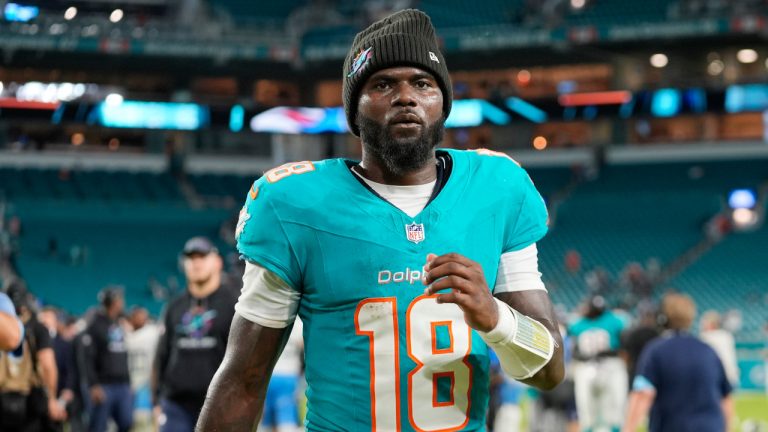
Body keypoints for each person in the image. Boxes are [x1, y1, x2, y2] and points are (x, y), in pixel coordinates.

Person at [197, 9, 564, 431]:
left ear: (443, 102)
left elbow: (549, 370)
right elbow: (244, 381)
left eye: (422, 83)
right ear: (356, 110)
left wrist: (495, 317)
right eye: (383, 84)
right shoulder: (294, 204)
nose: (405, 97)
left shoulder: (498, 189)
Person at [152, 236, 237, 432]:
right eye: (191, 258)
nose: (196, 262)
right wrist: (156, 400)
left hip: (221, 406)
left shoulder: (233, 305)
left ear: (217, 262)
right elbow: (161, 355)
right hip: (176, 406)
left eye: (202, 256)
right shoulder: (174, 307)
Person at [622, 293, 734, 432]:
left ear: (663, 318)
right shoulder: (708, 351)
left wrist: (628, 428)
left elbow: (643, 393)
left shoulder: (656, 350)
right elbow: (726, 398)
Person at [568, 295, 629, 432]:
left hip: (610, 365)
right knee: (587, 409)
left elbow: (623, 345)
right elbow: (574, 351)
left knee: (615, 406)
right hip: (587, 366)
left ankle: (615, 427)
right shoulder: (579, 324)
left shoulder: (613, 320)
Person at [81, 286, 133, 432]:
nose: (122, 302)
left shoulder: (118, 324)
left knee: (127, 422)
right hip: (104, 385)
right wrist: (93, 385)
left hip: (122, 385)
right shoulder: (95, 324)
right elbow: (87, 358)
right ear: (112, 302)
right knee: (98, 427)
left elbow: (123, 355)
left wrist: (128, 383)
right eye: (119, 299)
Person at [125, 307, 160, 432]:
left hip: (146, 382)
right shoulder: (128, 335)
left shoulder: (151, 333)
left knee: (143, 423)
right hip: (132, 382)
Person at [699, 310, 739, 387]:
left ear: (711, 324)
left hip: (716, 376)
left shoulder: (706, 336)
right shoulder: (727, 335)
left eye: (705, 322)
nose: (702, 324)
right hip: (731, 376)